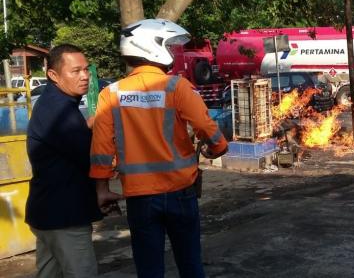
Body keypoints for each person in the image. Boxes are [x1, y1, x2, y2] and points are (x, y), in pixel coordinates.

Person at [90, 19, 229, 278]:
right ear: (154, 47)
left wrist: (102, 189)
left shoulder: (111, 93)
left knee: (149, 269)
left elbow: (101, 148)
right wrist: (219, 147)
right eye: (169, 45)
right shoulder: (177, 87)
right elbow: (206, 127)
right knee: (190, 264)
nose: (174, 52)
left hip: (139, 197)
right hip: (180, 193)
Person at [25, 44, 116, 277]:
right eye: (75, 71)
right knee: (82, 272)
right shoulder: (58, 111)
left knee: (49, 273)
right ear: (53, 75)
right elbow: (90, 156)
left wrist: (97, 120)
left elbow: (71, 138)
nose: (84, 76)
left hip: (47, 211)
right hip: (64, 216)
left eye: (86, 69)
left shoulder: (56, 103)